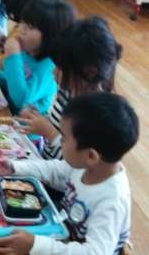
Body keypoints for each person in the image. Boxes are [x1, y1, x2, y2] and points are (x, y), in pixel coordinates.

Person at [0, 92, 139, 255]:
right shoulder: (88, 167)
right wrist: (15, 167)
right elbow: (58, 171)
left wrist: (36, 246)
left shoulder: (111, 201)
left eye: (64, 138)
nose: (59, 142)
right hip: (61, 240)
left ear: (91, 155)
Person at [18, 16, 121, 160]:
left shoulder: (97, 117)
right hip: (44, 163)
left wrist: (49, 133)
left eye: (61, 68)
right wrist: (38, 117)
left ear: (90, 72)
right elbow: (57, 124)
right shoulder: (68, 91)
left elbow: (76, 166)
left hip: (59, 173)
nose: (54, 72)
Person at [0, 0, 76, 114]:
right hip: (7, 113)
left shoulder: (48, 68)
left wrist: (13, 58)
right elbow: (15, 82)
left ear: (51, 35)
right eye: (23, 22)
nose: (21, 29)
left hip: (24, 124)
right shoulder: (28, 52)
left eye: (30, 27)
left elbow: (21, 99)